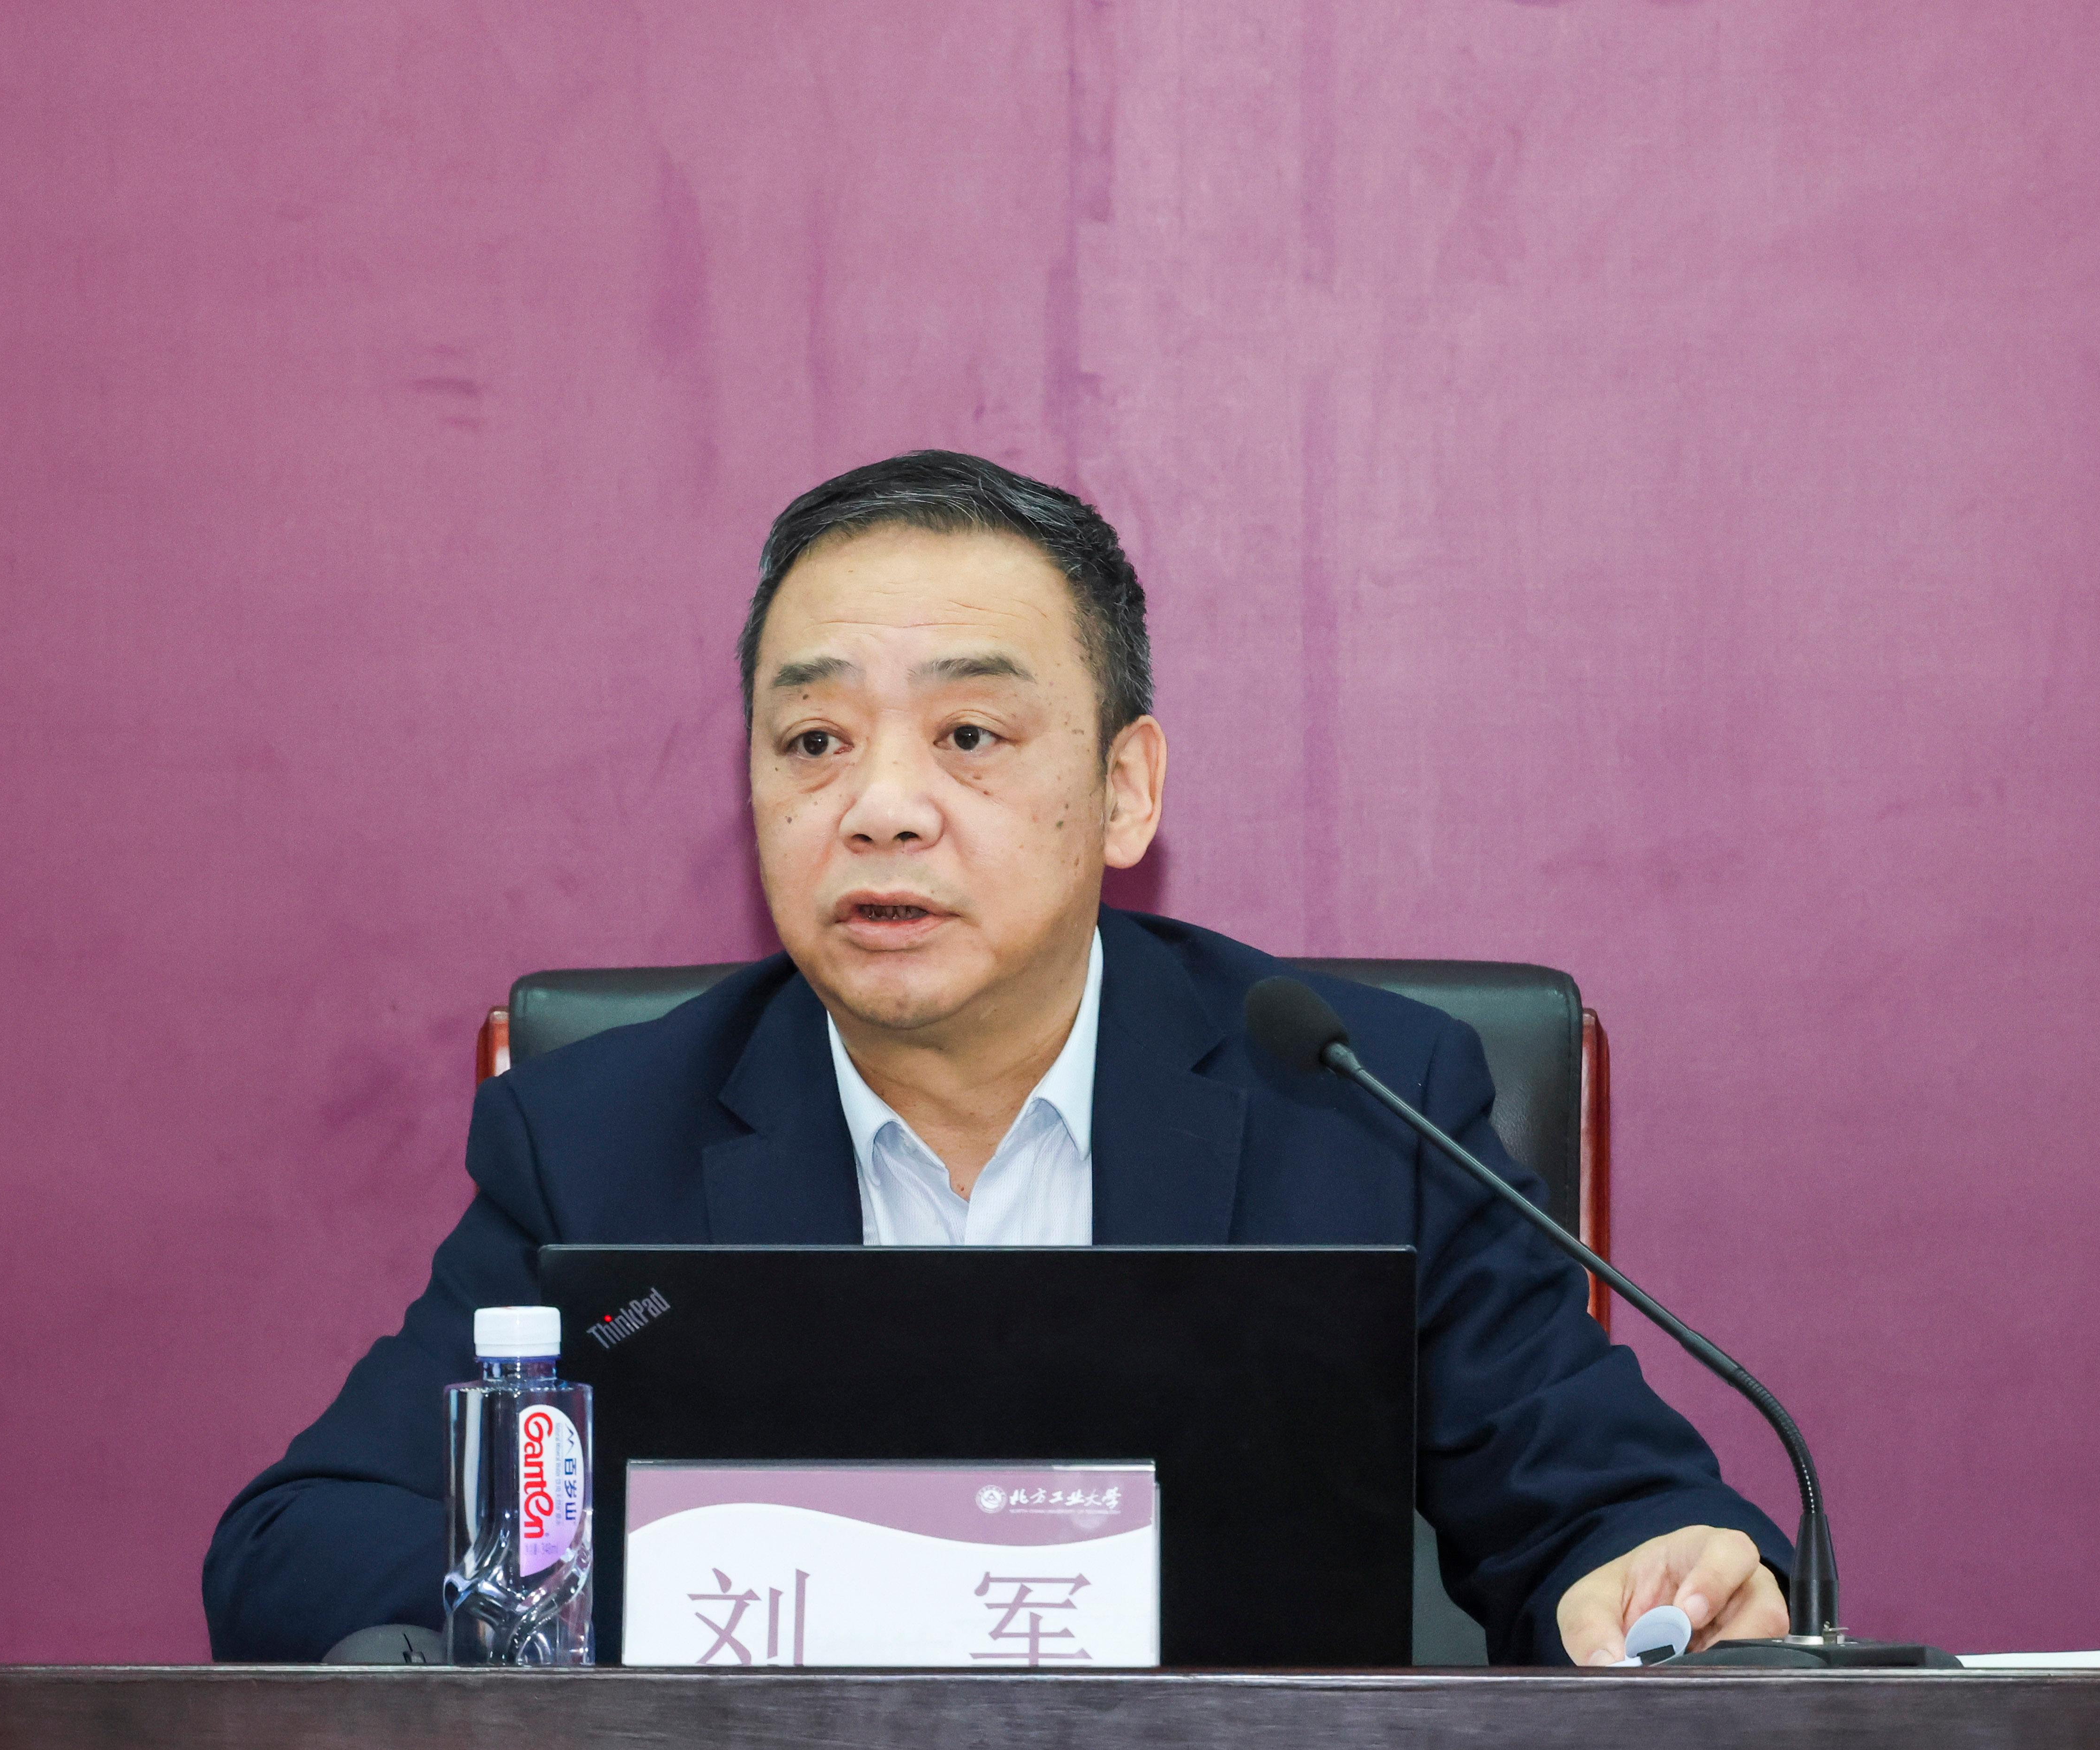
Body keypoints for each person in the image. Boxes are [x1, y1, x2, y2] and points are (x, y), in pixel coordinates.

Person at [204, 449, 1792, 1667]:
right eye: (813, 742)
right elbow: (303, 1543)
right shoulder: (598, 1139)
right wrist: (681, 1597)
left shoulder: (1352, 1104)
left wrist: (1650, 1581)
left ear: (1123, 792)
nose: (880, 808)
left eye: (968, 736)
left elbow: (1609, 1510)